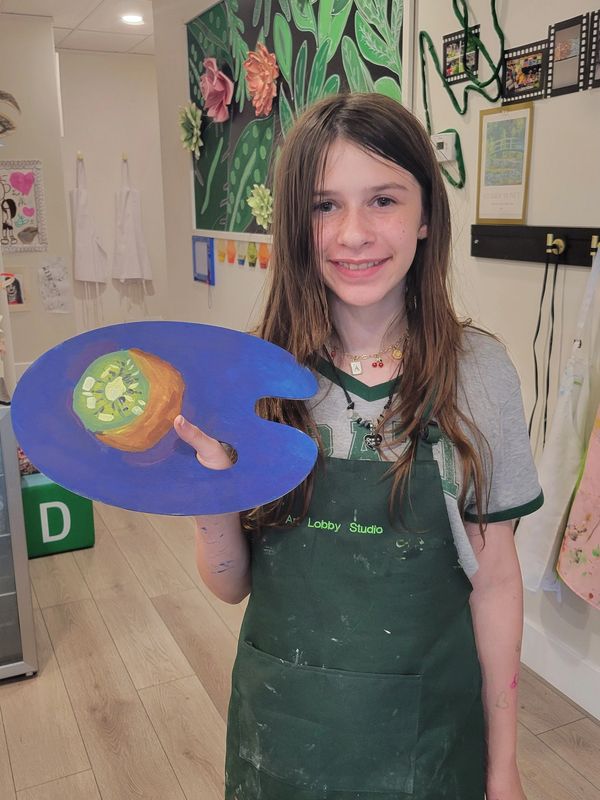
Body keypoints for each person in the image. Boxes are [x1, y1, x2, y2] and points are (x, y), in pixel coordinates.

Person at [175, 92, 543, 800]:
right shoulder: (251, 380)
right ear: (294, 224)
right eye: (324, 206)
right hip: (280, 737)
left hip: (430, 746)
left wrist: (504, 769)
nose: (354, 233)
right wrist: (211, 487)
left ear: (425, 214)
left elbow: (496, 587)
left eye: (382, 200)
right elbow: (229, 585)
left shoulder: (479, 373)